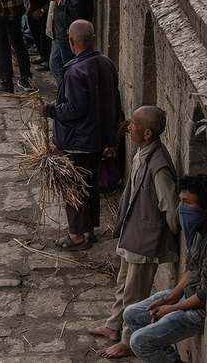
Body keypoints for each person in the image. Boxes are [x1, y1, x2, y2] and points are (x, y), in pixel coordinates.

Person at [89, 106, 180, 359]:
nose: (129, 126)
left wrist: (167, 236)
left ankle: (128, 342)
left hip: (146, 239)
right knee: (123, 284)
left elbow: (171, 208)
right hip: (133, 232)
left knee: (135, 294)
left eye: (134, 124)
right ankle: (113, 326)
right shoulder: (143, 153)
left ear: (148, 133)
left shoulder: (159, 165)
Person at [39, 20, 121, 250]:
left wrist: (50, 109)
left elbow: (75, 109)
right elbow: (113, 98)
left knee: (73, 188)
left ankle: (76, 234)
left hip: (78, 140)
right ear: (93, 39)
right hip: (98, 138)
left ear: (72, 41)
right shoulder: (105, 62)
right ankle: (88, 229)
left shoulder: (76, 71)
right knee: (89, 185)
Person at [121, 174, 207, 363]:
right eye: (180, 201)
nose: (182, 208)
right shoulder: (199, 231)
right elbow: (193, 268)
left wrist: (173, 308)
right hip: (186, 296)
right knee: (132, 314)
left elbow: (203, 296)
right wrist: (169, 298)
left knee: (139, 342)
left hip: (199, 311)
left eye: (188, 202)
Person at [42, 0, 94, 83]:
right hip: (61, 29)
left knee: (66, 70)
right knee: (55, 66)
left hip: (68, 30)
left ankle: (68, 97)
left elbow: (77, 8)